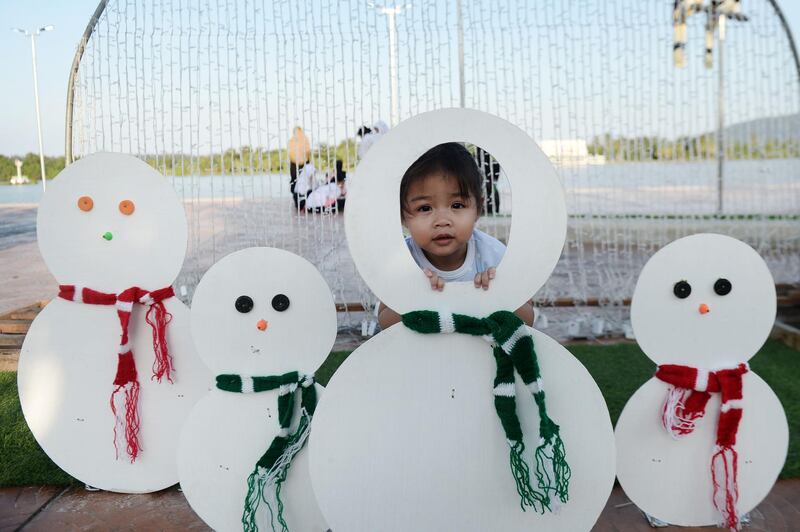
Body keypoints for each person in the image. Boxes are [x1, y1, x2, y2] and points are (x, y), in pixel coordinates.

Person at [378, 142, 534, 329]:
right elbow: (384, 323)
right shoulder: (402, 261)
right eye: (425, 208)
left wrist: (496, 295)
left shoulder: (493, 256)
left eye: (457, 205)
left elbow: (528, 320)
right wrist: (416, 296)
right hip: (422, 355)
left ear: (478, 209)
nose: (442, 220)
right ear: (403, 215)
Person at [288, 126, 311, 208]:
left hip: (295, 164)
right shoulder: (305, 139)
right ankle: (303, 201)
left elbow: (290, 153)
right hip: (301, 164)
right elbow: (308, 152)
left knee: (295, 182)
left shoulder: (292, 140)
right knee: (303, 182)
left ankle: (297, 201)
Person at [475, 146, 501, 214]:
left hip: (489, 160)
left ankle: (491, 208)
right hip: (487, 158)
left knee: (489, 183)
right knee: (489, 183)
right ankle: (490, 208)